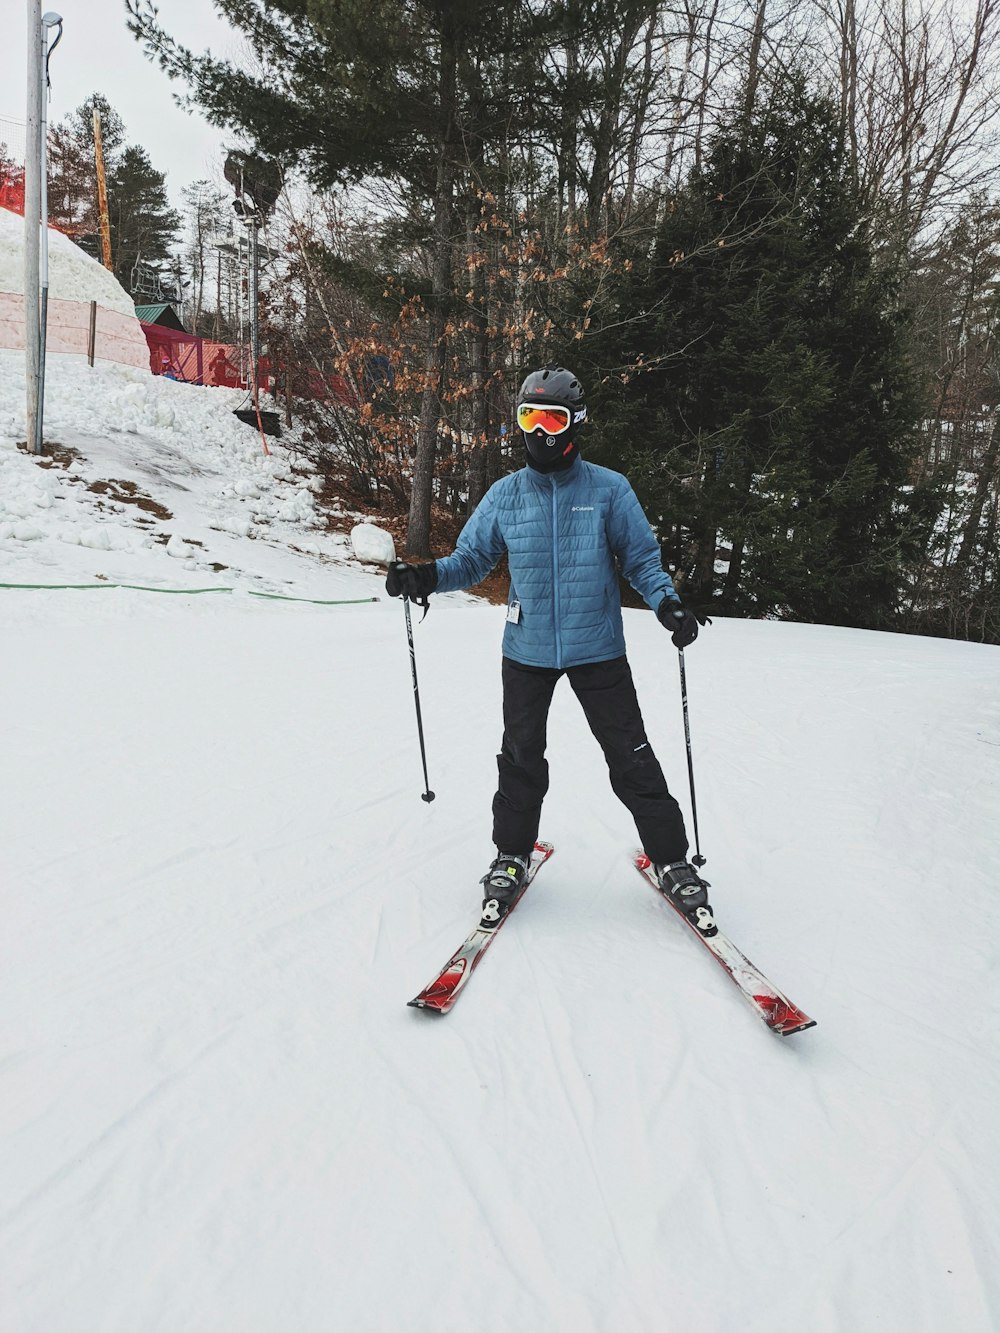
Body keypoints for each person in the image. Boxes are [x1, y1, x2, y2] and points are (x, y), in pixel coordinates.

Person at [386, 365, 715, 935]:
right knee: (520, 758)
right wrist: (422, 577)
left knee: (631, 757)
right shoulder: (506, 495)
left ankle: (673, 860)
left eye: (552, 418)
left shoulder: (609, 489)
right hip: (528, 650)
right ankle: (511, 854)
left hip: (598, 650)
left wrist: (668, 604)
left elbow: (641, 560)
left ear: (575, 423)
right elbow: (471, 561)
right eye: (529, 418)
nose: (539, 433)